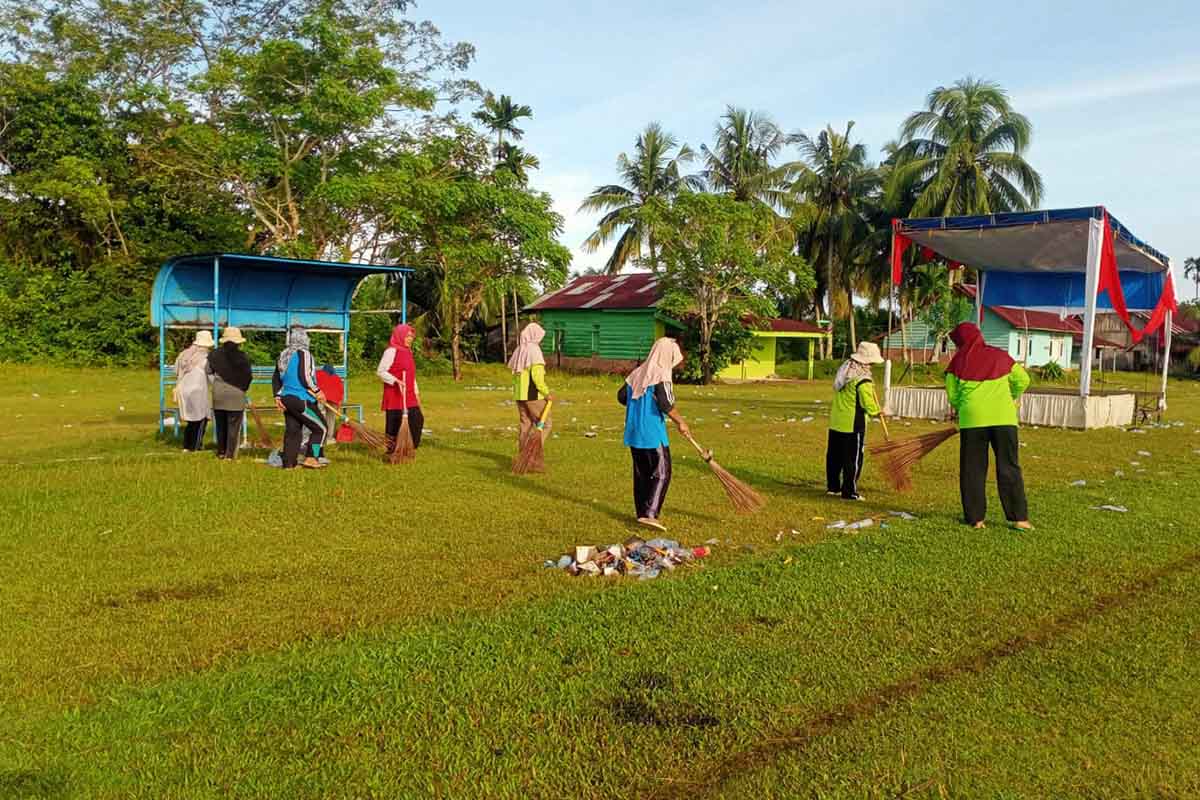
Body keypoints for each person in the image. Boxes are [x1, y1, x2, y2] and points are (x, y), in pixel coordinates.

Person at [945, 321, 1033, 530]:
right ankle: (1019, 519)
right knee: (1009, 466)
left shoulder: (956, 364)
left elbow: (953, 397)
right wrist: (1011, 396)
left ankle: (976, 519)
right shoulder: (1001, 356)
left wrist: (965, 407)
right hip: (1004, 419)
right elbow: (1023, 380)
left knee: (972, 469)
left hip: (972, 421)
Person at [617, 337, 690, 531]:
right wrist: (681, 422)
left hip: (634, 431)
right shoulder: (662, 375)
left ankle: (642, 513)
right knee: (661, 472)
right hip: (652, 432)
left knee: (642, 473)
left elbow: (622, 397)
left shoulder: (638, 373)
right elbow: (666, 404)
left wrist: (639, 404)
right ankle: (650, 514)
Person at [826, 341, 886, 501]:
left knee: (834, 456)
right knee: (853, 459)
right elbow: (867, 403)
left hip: (836, 422)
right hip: (852, 425)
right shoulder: (863, 380)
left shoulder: (845, 372)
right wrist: (878, 411)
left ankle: (833, 487)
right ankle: (849, 491)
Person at [272, 325, 328, 469]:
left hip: (286, 399)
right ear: (304, 339)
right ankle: (312, 457)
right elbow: (305, 376)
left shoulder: (283, 354)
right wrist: (317, 391)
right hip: (301, 399)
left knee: (293, 431)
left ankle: (289, 463)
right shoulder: (304, 353)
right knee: (320, 429)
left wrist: (277, 396)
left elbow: (276, 378)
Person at [207, 326, 253, 460]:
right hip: (236, 395)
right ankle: (230, 455)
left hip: (219, 394)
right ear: (238, 342)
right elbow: (248, 376)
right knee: (233, 426)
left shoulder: (214, 354)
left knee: (221, 425)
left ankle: (221, 452)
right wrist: (243, 388)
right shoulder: (243, 357)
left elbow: (208, 371)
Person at [377, 323, 423, 449]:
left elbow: (411, 375)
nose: (410, 339)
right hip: (395, 394)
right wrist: (396, 380)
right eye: (407, 336)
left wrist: (416, 393)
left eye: (412, 337)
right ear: (400, 335)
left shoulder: (409, 352)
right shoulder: (391, 351)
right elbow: (381, 371)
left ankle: (409, 447)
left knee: (417, 420)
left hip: (408, 394)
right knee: (394, 423)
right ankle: (392, 450)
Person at [508, 322, 553, 443]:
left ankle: (523, 458)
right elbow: (537, 378)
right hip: (532, 395)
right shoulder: (534, 351)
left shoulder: (519, 350)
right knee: (546, 424)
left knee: (525, 425)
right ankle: (533, 452)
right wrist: (546, 393)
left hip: (519, 395)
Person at [173, 330, 214, 451]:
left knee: (191, 420)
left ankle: (186, 445)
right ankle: (195, 446)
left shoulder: (183, 355)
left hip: (183, 390)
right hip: (198, 391)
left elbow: (175, 371)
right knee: (201, 419)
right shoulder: (205, 358)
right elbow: (211, 377)